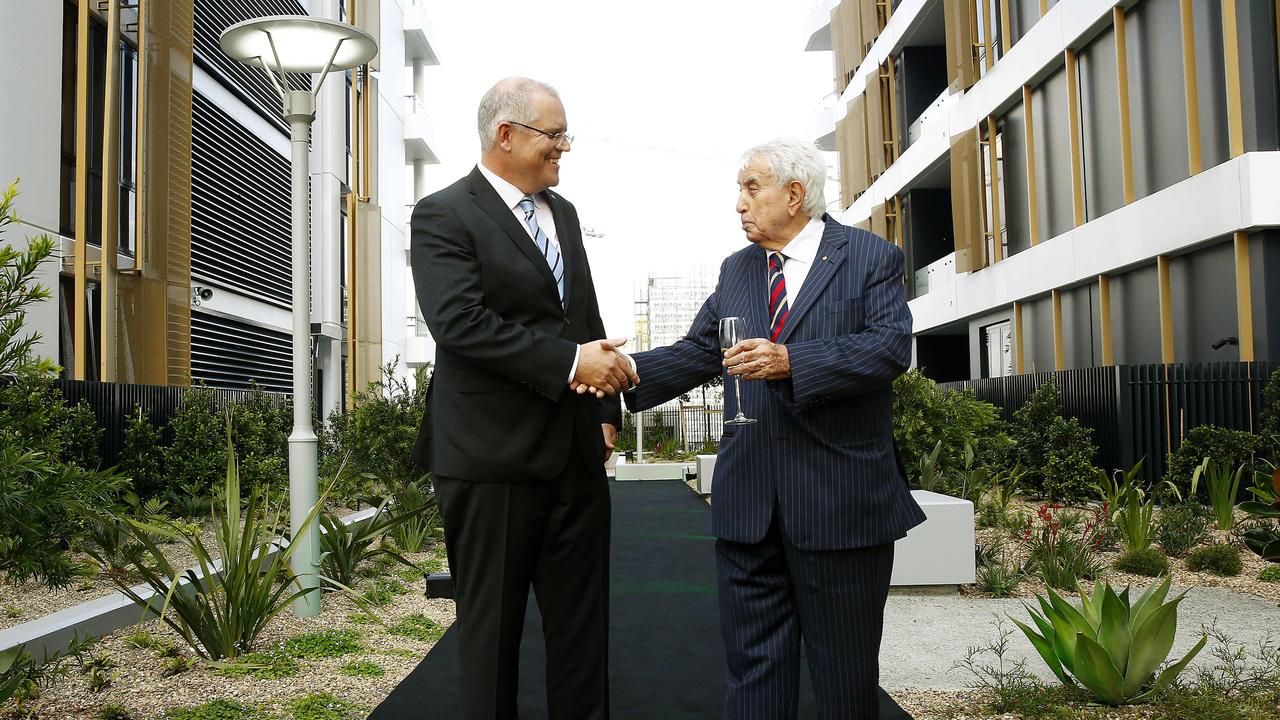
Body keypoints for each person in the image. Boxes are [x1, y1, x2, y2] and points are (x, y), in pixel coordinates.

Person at [624, 138, 926, 719]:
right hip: (748, 504)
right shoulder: (737, 269)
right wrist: (621, 374)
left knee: (844, 679)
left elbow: (889, 350)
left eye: (750, 187)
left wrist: (793, 362)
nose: (738, 202)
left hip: (840, 505)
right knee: (753, 674)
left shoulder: (869, 256)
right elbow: (698, 351)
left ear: (794, 194)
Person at [408, 76, 638, 720]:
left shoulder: (562, 214)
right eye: (554, 134)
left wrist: (603, 408)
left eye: (566, 134)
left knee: (582, 634)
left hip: (574, 457)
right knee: (492, 638)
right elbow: (459, 324)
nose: (564, 147)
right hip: (489, 463)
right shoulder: (443, 214)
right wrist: (572, 364)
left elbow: (580, 315)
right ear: (505, 135)